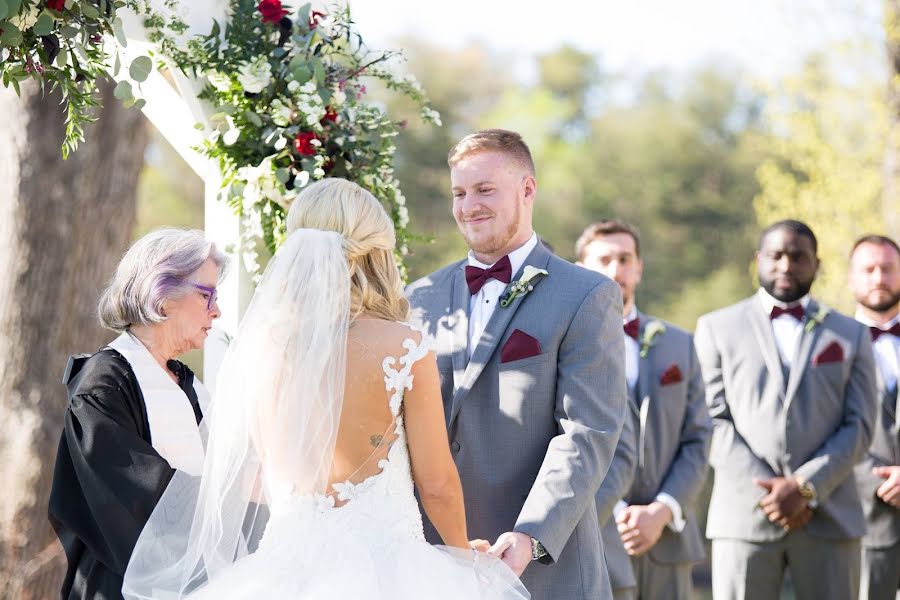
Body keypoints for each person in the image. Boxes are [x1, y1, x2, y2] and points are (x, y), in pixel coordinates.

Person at [122, 178, 529, 599]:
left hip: (282, 573)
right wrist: (464, 558)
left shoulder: (263, 347)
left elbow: (256, 476)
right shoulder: (404, 347)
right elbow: (437, 484)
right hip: (391, 571)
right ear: (374, 254)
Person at [406, 129, 627, 599]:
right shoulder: (418, 298)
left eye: (485, 190)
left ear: (527, 190)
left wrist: (531, 533)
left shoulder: (587, 295)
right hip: (436, 564)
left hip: (549, 569)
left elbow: (587, 433)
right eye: (459, 193)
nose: (468, 206)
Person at [694, 219, 878, 600]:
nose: (786, 265)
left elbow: (859, 424)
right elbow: (709, 419)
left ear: (817, 264)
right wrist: (773, 491)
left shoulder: (852, 334)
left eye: (798, 257)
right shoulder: (715, 328)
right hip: (744, 518)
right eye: (776, 255)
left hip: (830, 518)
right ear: (758, 260)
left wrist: (806, 487)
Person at [47, 228, 227, 600]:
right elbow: (134, 496)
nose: (217, 310)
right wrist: (229, 499)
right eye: (206, 294)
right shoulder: (102, 384)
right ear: (162, 297)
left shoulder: (186, 383)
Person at [576, 219, 711, 599]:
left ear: (639, 267)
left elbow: (698, 437)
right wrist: (616, 509)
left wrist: (662, 510)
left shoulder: (679, 344)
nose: (615, 270)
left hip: (668, 538)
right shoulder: (565, 347)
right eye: (603, 260)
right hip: (596, 534)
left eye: (624, 259)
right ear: (581, 268)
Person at [848, 234, 900, 600]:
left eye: (888, 268)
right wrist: (879, 481)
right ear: (851, 278)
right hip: (863, 524)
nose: (879, 278)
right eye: (868, 269)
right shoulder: (828, 344)